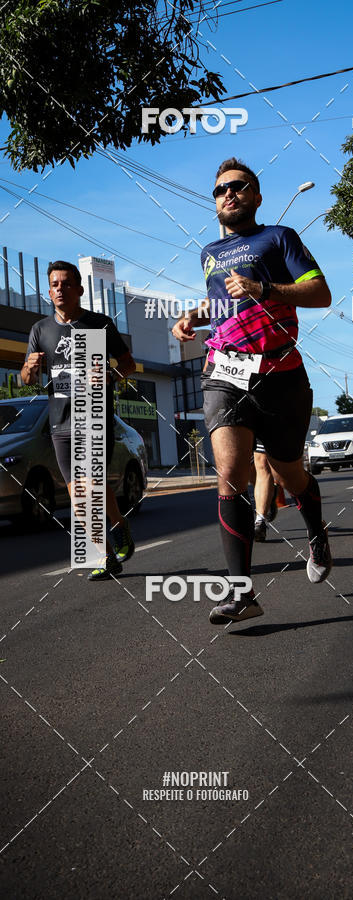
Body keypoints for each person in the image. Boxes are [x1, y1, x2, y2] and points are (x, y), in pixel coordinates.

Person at [172, 158, 332, 624]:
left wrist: (263, 288)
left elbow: (320, 293)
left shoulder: (280, 237)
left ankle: (316, 531)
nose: (229, 193)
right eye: (220, 189)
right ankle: (241, 594)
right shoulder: (208, 253)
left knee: (288, 473)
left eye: (239, 186)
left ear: (256, 196)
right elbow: (222, 304)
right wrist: (193, 317)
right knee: (230, 472)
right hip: (224, 370)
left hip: (280, 372)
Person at [21, 261, 137, 578]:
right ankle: (107, 555)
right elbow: (26, 379)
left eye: (66, 283)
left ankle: (118, 525)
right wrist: (29, 369)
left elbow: (128, 364)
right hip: (60, 423)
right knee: (79, 495)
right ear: (49, 292)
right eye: (55, 284)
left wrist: (110, 376)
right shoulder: (40, 330)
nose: (60, 289)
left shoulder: (99, 324)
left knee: (92, 485)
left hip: (94, 415)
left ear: (79, 289)